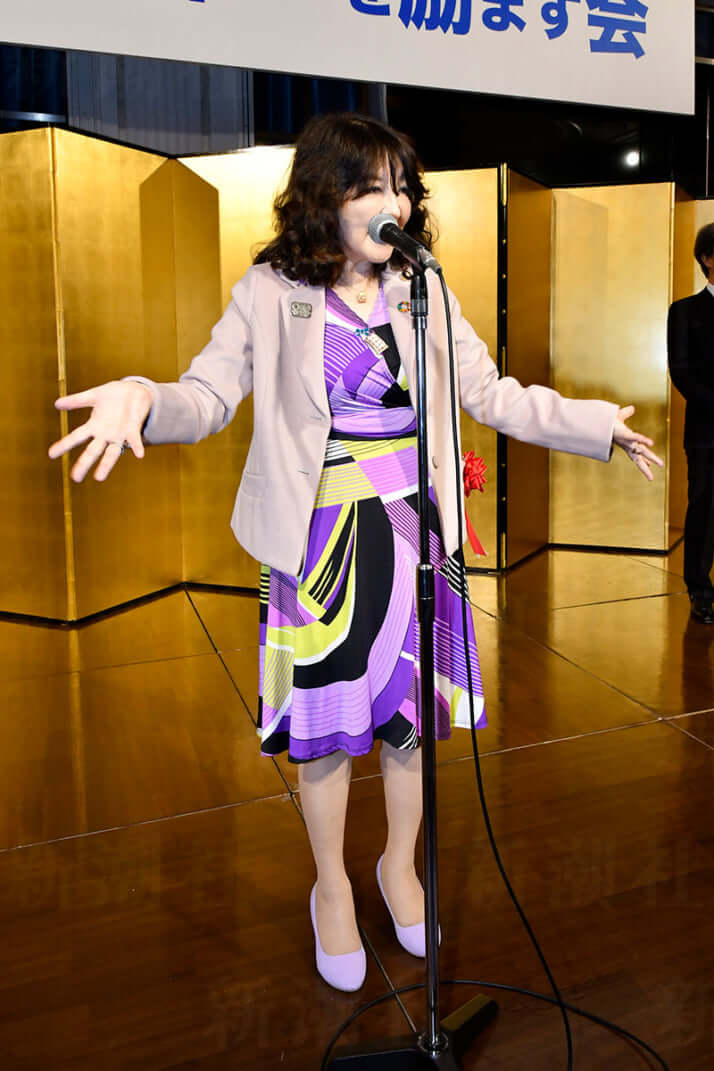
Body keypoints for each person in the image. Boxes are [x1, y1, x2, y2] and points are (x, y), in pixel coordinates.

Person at [48, 113, 662, 992]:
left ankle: (398, 866)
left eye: (403, 186)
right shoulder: (270, 289)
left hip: (415, 534)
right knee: (328, 729)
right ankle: (332, 885)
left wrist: (596, 424)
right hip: (320, 541)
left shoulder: (422, 287)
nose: (395, 204)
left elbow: (490, 392)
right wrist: (144, 399)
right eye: (373, 186)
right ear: (325, 195)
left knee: (410, 720)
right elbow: (207, 395)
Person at [667, 223, 714, 625]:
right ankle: (700, 591)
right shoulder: (683, 311)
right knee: (704, 506)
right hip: (706, 431)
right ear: (707, 259)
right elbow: (680, 372)